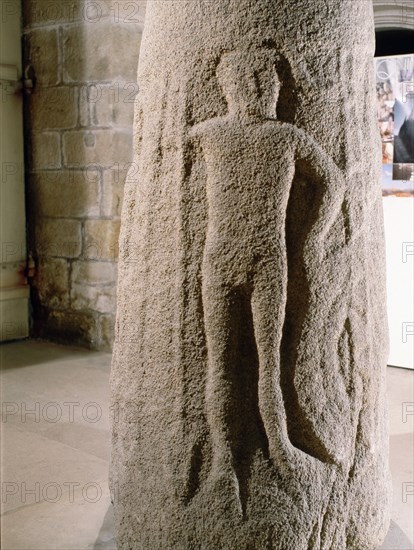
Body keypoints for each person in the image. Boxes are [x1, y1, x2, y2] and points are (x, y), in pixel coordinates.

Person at [189, 48, 345, 498]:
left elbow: (333, 182)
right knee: (224, 364)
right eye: (258, 83)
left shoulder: (285, 137)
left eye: (270, 84)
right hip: (223, 263)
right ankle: (224, 462)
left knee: (266, 363)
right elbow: (333, 182)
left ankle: (277, 446)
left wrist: (313, 237)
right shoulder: (211, 133)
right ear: (235, 88)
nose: (266, 91)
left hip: (264, 263)